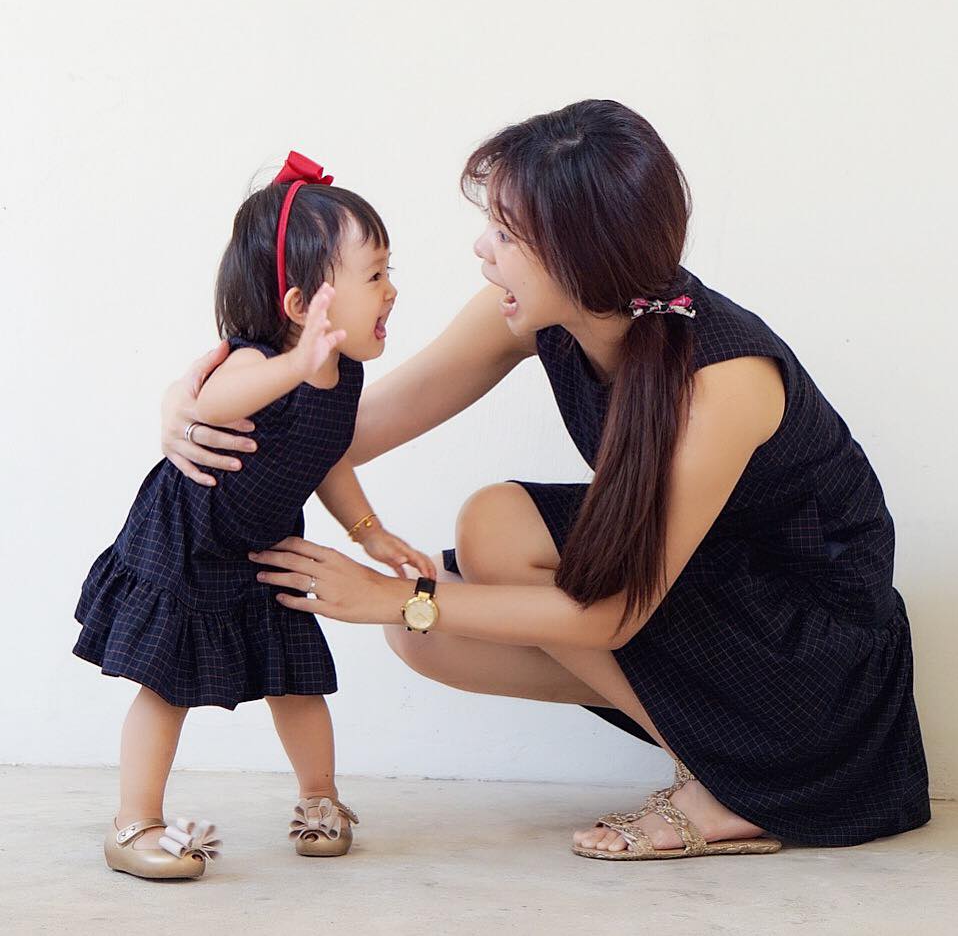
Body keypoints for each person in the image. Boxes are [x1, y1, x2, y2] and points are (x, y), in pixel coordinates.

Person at [162, 102, 931, 860]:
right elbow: (339, 434)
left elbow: (619, 616)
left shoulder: (725, 379)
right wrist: (195, 408)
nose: (481, 250)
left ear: (577, 254)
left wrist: (389, 592)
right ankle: (721, 749)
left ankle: (739, 782)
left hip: (811, 656)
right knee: (426, 633)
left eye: (504, 234)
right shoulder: (530, 309)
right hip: (700, 594)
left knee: (440, 584)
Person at [74, 151, 435, 880]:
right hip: (190, 542)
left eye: (389, 271)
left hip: (264, 543)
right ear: (302, 307)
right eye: (374, 276)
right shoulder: (256, 363)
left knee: (296, 677)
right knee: (164, 684)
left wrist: (370, 530)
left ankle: (320, 798)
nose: (392, 291)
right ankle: (133, 821)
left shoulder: (343, 374)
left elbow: (326, 454)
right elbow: (208, 404)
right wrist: (295, 365)